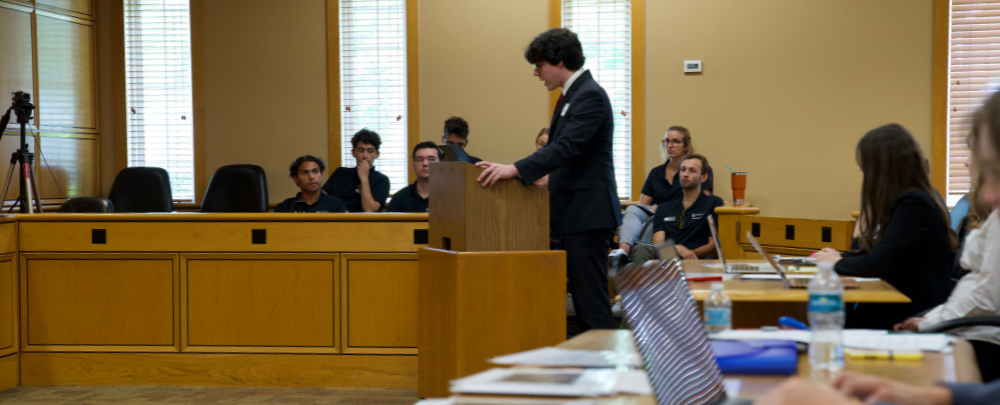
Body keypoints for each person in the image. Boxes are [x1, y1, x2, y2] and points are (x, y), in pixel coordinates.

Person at [475, 28, 622, 332]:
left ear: (558, 61)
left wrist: (514, 169)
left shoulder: (589, 94)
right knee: (584, 304)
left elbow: (567, 147)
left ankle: (609, 375)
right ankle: (592, 372)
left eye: (538, 65)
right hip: (574, 214)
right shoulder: (573, 95)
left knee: (591, 304)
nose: (535, 73)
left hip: (588, 215)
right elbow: (573, 157)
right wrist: (547, 181)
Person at [814, 123, 957, 330]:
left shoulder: (914, 204)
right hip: (894, 299)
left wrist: (835, 262)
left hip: (909, 310)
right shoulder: (906, 201)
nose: (860, 169)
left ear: (882, 166)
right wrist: (839, 257)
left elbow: (875, 264)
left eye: (865, 163)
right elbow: (872, 254)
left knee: (829, 321)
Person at [610, 126, 714, 259]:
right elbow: (643, 204)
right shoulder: (656, 172)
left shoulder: (696, 171)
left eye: (676, 141)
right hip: (657, 214)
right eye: (667, 141)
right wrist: (655, 209)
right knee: (632, 210)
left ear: (686, 146)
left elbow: (702, 201)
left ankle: (648, 257)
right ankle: (622, 253)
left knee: (656, 226)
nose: (670, 145)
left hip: (679, 215)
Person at [634, 154, 723, 261]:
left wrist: (687, 254)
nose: (685, 174)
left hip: (695, 262)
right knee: (641, 249)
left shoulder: (713, 204)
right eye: (683, 170)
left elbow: (713, 246)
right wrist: (677, 249)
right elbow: (658, 245)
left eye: (692, 171)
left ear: (703, 177)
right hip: (667, 260)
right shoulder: (663, 208)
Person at [321, 129, 391, 212]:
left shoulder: (382, 180)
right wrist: (340, 210)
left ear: (377, 155)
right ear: (353, 153)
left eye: (370, 151)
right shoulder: (340, 173)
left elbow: (369, 211)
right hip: (336, 220)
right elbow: (320, 198)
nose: (365, 156)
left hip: (363, 223)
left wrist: (364, 178)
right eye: (361, 151)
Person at [273, 155, 347, 213]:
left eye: (315, 171)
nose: (311, 177)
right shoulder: (284, 207)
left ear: (321, 174)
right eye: (305, 173)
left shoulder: (335, 204)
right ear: (295, 178)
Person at [386, 141, 440, 213]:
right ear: (413, 167)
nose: (425, 164)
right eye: (420, 160)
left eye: (431, 159)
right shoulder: (400, 198)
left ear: (440, 165)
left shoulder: (450, 197)